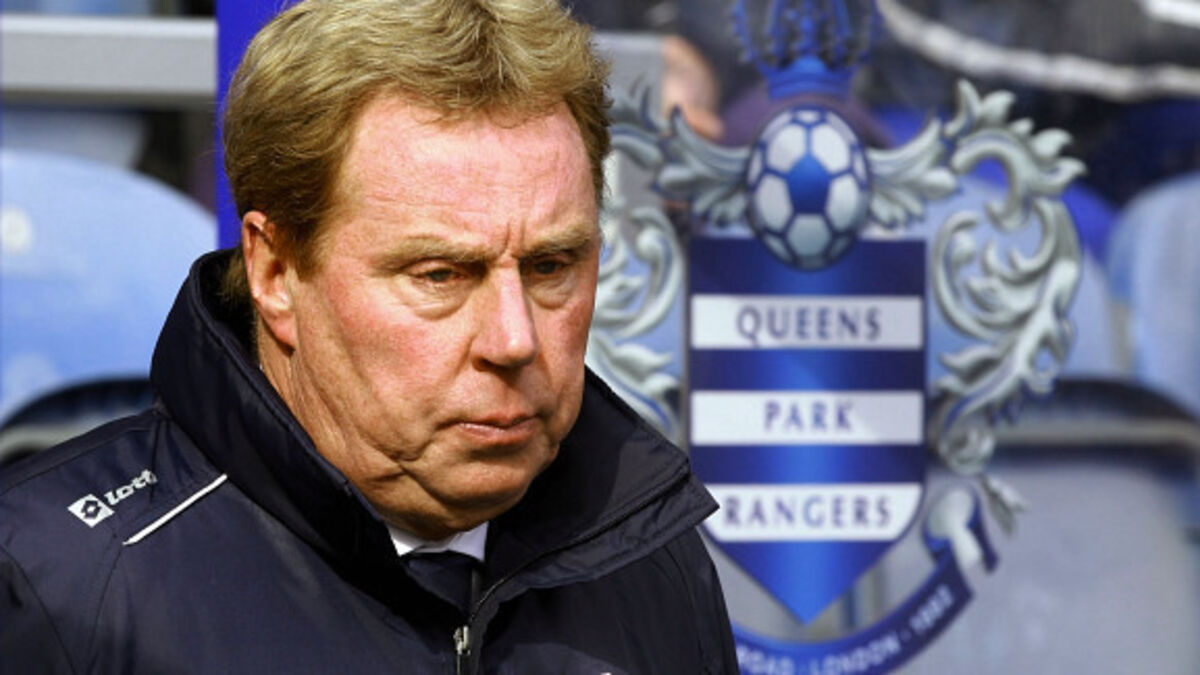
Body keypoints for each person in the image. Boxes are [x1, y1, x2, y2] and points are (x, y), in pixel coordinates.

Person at [0, 0, 738, 672]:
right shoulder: (55, 586)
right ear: (275, 272)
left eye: (550, 267)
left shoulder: (649, 557)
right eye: (441, 275)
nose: (514, 340)